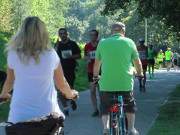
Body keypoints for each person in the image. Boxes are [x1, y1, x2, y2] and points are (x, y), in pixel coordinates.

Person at [0, 17, 78, 124]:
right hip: (48, 116)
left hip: (19, 116)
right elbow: (62, 84)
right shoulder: (51, 54)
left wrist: (4, 94)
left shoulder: (13, 54)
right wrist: (71, 94)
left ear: (22, 32)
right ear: (43, 33)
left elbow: (9, 81)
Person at [93, 22, 142, 135]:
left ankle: (105, 128)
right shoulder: (129, 42)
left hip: (106, 84)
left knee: (105, 105)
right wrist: (140, 73)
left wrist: (95, 76)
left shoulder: (103, 43)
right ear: (123, 31)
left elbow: (97, 64)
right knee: (129, 104)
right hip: (125, 83)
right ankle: (131, 129)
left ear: (112, 31)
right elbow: (137, 63)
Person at [55, 28, 81, 116]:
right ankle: (65, 108)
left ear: (67, 34)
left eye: (64, 33)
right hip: (59, 70)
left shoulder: (72, 44)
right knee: (60, 89)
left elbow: (79, 55)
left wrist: (70, 56)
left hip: (70, 69)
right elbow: (53, 57)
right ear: (59, 35)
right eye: (61, 34)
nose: (62, 35)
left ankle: (72, 100)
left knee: (69, 88)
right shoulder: (57, 45)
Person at [84, 29, 99, 117]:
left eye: (94, 35)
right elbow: (85, 56)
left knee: (101, 91)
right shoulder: (87, 46)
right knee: (92, 90)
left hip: (100, 70)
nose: (92, 37)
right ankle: (95, 109)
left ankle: (103, 107)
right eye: (91, 35)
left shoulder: (101, 45)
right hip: (91, 71)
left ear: (97, 36)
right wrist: (87, 59)